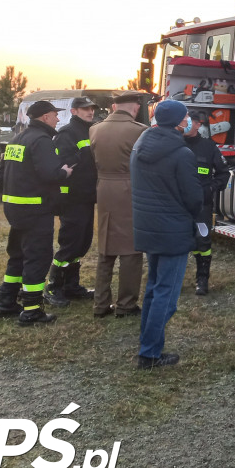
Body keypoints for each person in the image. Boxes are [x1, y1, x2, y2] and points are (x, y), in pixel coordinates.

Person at [131, 100, 202, 369]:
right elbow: (193, 197)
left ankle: (147, 345)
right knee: (167, 296)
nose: (188, 121)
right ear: (177, 121)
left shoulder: (140, 145)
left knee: (153, 289)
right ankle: (149, 353)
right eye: (185, 117)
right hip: (173, 230)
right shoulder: (181, 153)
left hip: (148, 226)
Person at [0, 100, 73, 325]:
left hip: (15, 208)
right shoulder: (41, 140)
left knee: (17, 255)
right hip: (36, 209)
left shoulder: (17, 139)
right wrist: (64, 172)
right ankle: (32, 311)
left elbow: (0, 173)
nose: (58, 119)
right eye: (55, 115)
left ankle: (6, 303)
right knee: (37, 257)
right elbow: (50, 173)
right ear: (45, 117)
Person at [89, 91, 147, 318]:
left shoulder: (94, 129)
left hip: (104, 188)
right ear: (134, 107)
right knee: (131, 251)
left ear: (114, 107)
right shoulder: (140, 131)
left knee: (105, 248)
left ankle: (101, 304)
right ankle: (126, 304)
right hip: (129, 189)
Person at [45, 97, 99, 306]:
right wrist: (83, 155)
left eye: (91, 108)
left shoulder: (91, 130)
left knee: (82, 242)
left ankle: (71, 286)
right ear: (74, 111)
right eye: (85, 109)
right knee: (69, 242)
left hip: (86, 195)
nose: (90, 112)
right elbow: (64, 162)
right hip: (72, 196)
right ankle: (53, 286)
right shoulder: (67, 133)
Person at [183, 111, 230, 296]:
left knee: (202, 241)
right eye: (184, 120)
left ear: (197, 124)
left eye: (190, 121)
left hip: (202, 205)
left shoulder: (208, 147)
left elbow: (223, 173)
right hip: (178, 204)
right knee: (177, 240)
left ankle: (202, 280)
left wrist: (210, 189)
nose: (186, 124)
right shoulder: (175, 144)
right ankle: (174, 279)